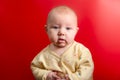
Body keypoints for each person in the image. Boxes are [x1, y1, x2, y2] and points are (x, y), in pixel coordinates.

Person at [31, 5, 94, 80]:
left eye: (68, 28)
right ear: (46, 29)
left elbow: (87, 69)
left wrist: (72, 78)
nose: (61, 32)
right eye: (55, 27)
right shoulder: (43, 55)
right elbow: (35, 67)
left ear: (75, 31)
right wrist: (47, 75)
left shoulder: (81, 51)